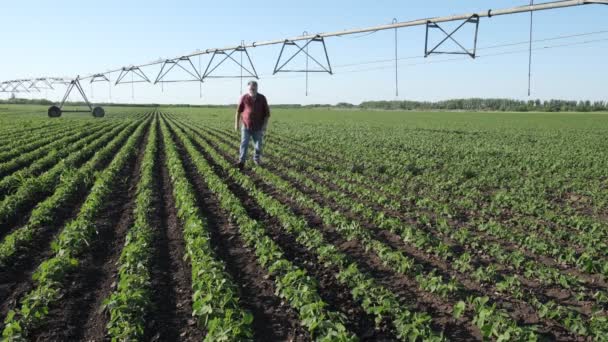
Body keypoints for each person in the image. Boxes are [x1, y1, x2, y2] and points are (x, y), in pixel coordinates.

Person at [235, 80, 270, 169]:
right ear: (248, 89)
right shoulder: (244, 98)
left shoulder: (262, 98)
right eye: (251, 88)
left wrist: (265, 126)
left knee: (258, 146)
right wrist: (236, 124)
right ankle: (241, 161)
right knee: (244, 144)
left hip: (258, 127)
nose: (252, 90)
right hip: (246, 126)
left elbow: (267, 114)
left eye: (254, 88)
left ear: (257, 88)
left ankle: (256, 159)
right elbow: (238, 112)